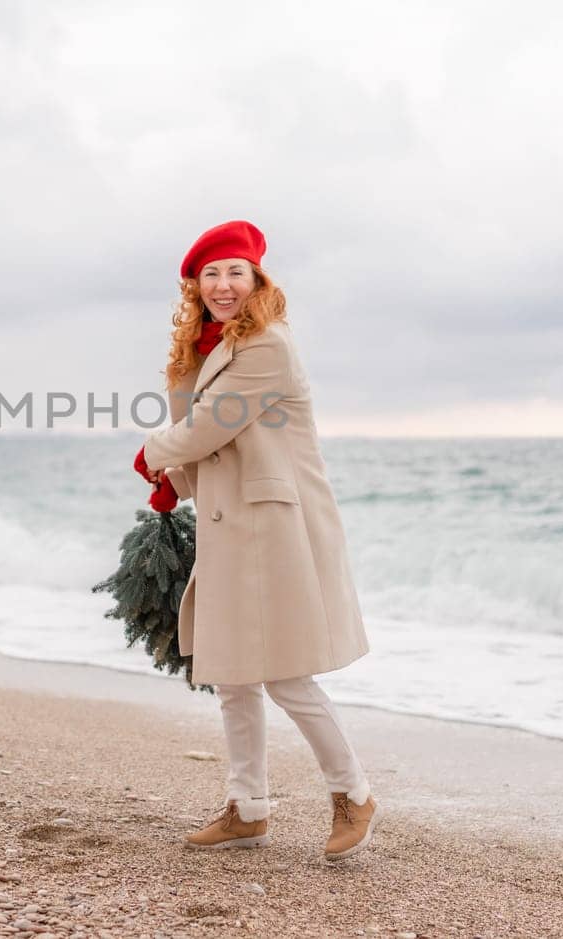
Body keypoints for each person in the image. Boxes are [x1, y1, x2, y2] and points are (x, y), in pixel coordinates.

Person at [134, 219, 381, 862]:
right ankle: (248, 808)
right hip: (230, 524)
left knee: (283, 674)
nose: (223, 285)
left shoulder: (267, 345)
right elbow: (201, 437)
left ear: (256, 279)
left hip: (274, 527)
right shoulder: (205, 347)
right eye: (210, 274)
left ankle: (353, 794)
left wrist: (154, 453)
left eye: (234, 273)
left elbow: (214, 425)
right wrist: (173, 478)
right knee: (234, 677)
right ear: (196, 285)